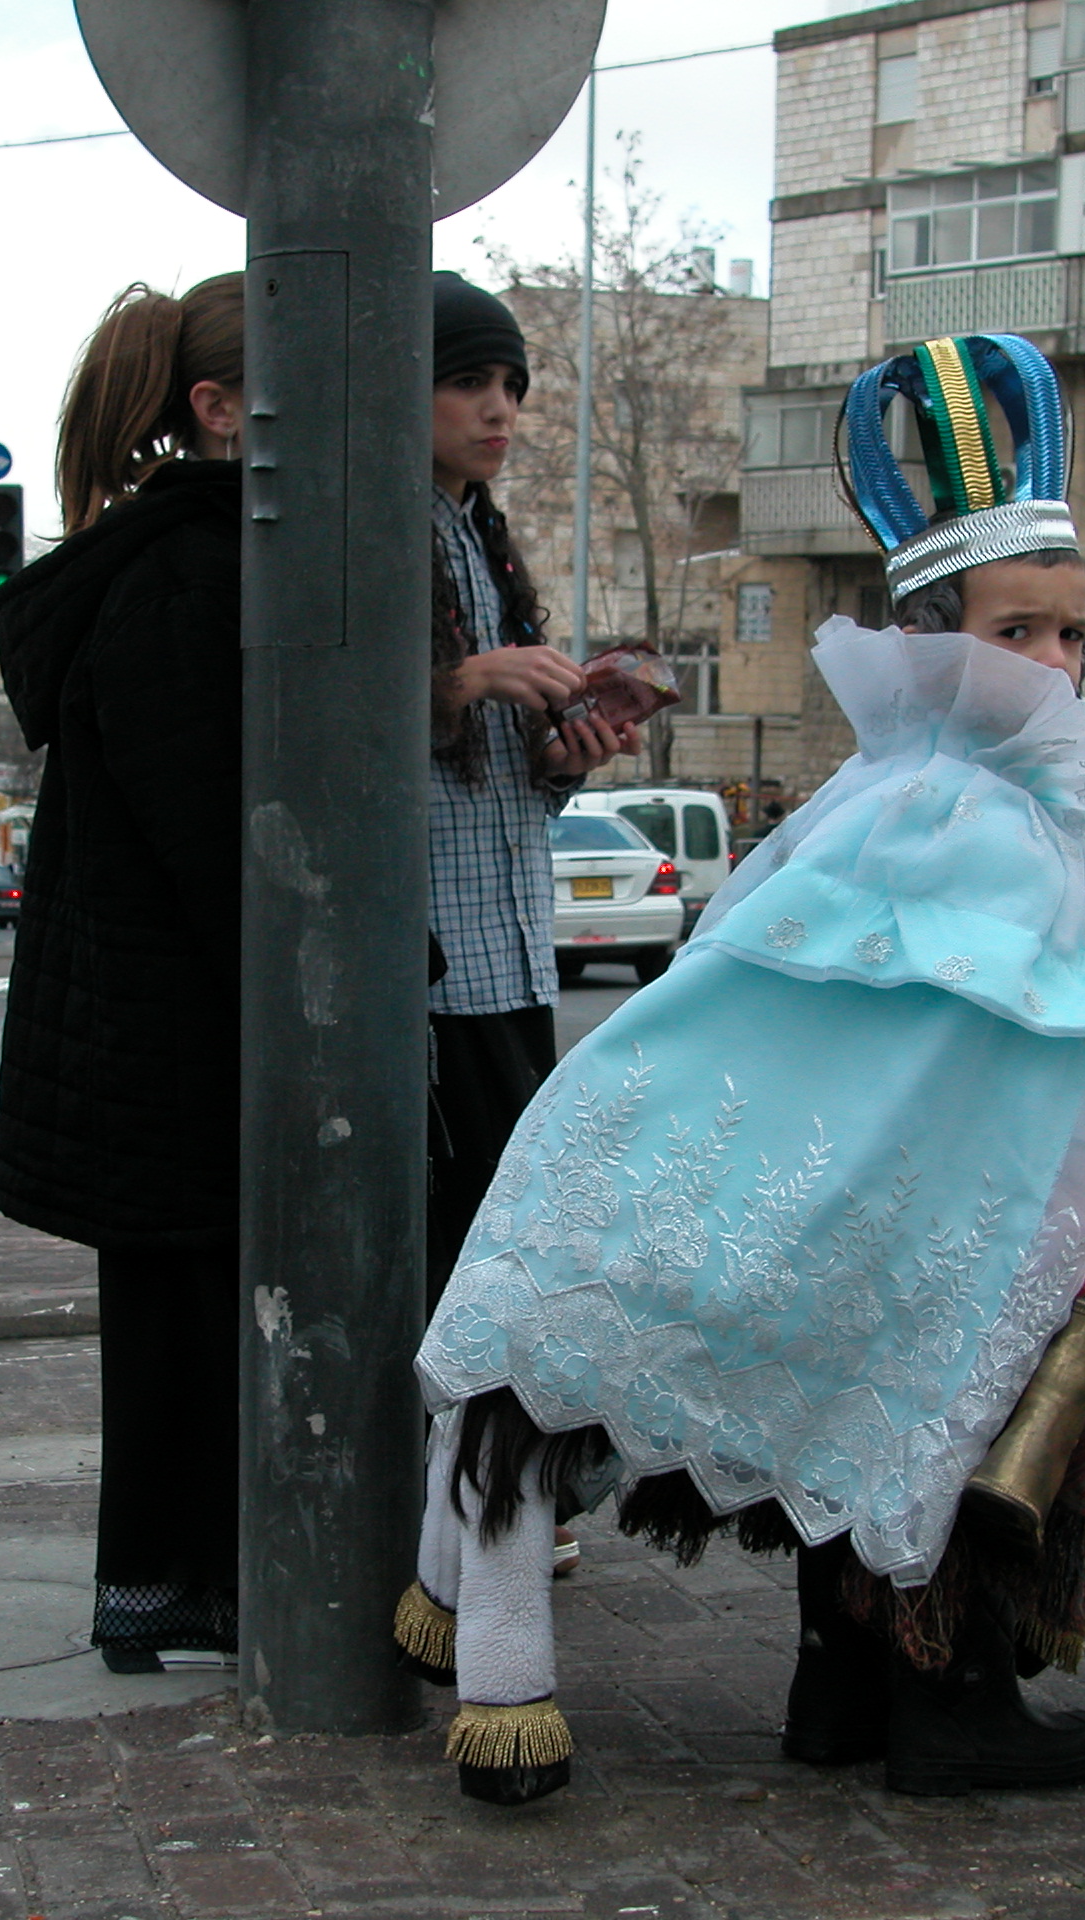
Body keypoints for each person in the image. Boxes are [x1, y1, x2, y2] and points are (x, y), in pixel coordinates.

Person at [403, 333, 1085, 1803]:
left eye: (1071, 632)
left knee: (878, 1365)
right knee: (951, 1371)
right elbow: (1032, 1008)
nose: (1054, 663)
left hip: (866, 1158)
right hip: (891, 1174)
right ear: (937, 641)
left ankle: (843, 1684)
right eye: (1018, 632)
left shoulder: (923, 784)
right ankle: (949, 1696)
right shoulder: (963, 810)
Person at [0, 274, 246, 1673]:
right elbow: (209, 824)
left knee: (177, 1316)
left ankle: (168, 1587)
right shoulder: (188, 569)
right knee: (195, 1315)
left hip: (150, 1029)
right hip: (180, 1029)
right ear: (216, 410)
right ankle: (185, 1587)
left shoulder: (162, 556)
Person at [422, 270, 637, 1310]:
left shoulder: (483, 537)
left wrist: (562, 759)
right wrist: (461, 681)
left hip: (510, 951)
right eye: (467, 381)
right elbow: (318, 726)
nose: (499, 407)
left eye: (511, 383)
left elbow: (491, 781)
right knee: (456, 1255)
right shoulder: (376, 527)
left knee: (499, 1241)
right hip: (426, 973)